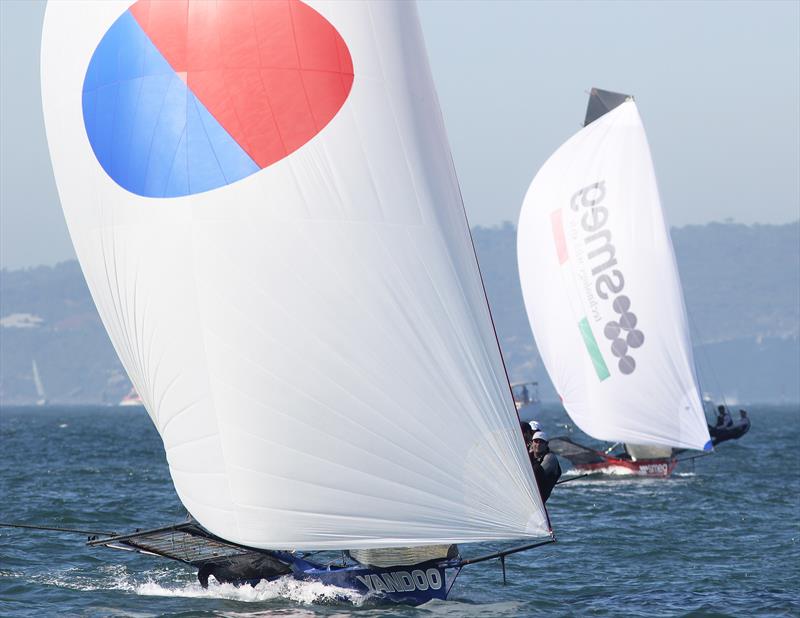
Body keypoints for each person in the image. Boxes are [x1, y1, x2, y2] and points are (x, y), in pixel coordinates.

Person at [528, 430, 561, 503]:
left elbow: (536, 473)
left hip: (537, 500)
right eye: (536, 441)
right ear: (532, 443)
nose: (538, 444)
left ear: (546, 444)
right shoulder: (529, 456)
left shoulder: (550, 458)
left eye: (541, 442)